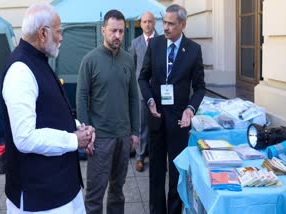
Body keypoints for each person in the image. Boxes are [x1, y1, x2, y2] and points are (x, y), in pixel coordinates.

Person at [1, 3, 95, 214]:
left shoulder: (38, 60)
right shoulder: (20, 70)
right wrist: (74, 140)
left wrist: (79, 128)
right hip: (42, 198)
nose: (62, 37)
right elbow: (24, 137)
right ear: (43, 33)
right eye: (59, 31)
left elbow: (50, 112)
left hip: (62, 188)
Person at [138, 4, 206, 214]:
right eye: (164, 22)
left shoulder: (193, 50)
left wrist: (190, 109)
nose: (165, 27)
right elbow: (143, 77)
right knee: (156, 172)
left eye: (170, 24)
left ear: (183, 25)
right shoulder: (156, 44)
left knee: (177, 172)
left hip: (179, 122)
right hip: (156, 119)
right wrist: (149, 100)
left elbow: (200, 87)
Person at [76, 9, 140, 214]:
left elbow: (133, 97)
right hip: (100, 138)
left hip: (123, 135)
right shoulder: (90, 60)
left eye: (121, 31)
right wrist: (86, 134)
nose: (118, 36)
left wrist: (135, 132)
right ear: (103, 30)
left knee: (118, 191)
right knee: (95, 195)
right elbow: (81, 97)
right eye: (113, 31)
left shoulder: (128, 59)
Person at [129, 11, 158, 172]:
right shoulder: (135, 43)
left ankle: (155, 156)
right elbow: (132, 67)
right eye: (144, 21)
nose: (147, 24)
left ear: (154, 23)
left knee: (158, 125)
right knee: (141, 126)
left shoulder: (162, 40)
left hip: (159, 91)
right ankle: (140, 157)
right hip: (141, 91)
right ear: (141, 24)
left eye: (150, 21)